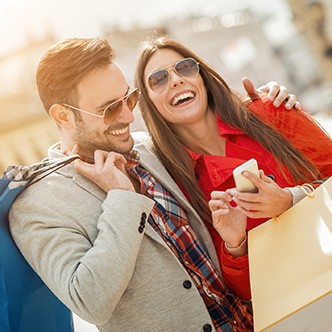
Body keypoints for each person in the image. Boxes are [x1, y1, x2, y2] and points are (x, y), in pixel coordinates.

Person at [8, 37, 299, 332]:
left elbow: (212, 129)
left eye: (129, 99)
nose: (128, 116)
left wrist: (267, 106)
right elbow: (89, 301)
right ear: (63, 116)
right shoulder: (36, 205)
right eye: (110, 109)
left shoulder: (148, 148)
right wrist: (122, 198)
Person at [134, 35, 332, 302]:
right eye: (158, 79)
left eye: (184, 68)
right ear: (149, 103)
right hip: (297, 305)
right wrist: (235, 244)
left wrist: (290, 199)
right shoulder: (178, 186)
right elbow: (247, 294)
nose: (176, 80)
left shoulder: (271, 111)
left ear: (202, 77)